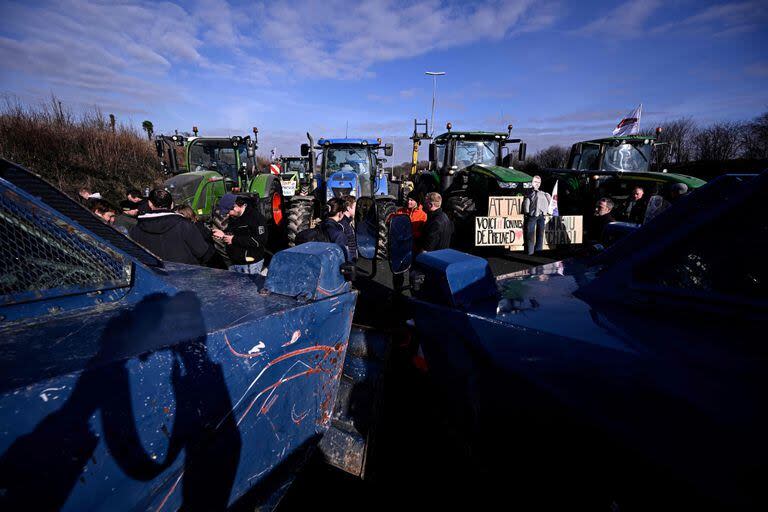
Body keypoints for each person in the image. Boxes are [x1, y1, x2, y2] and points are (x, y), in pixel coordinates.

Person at [129, 189, 214, 265]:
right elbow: (203, 253)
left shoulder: (136, 229)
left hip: (153, 277)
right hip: (185, 276)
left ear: (150, 204)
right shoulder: (184, 225)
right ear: (171, 204)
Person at [211, 194, 267, 274]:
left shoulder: (256, 218)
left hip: (250, 265)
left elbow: (259, 241)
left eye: (228, 211)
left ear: (236, 206)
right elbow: (236, 235)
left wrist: (233, 239)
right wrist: (223, 235)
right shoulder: (234, 218)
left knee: (248, 286)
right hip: (234, 263)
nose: (228, 214)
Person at [522, 175, 552, 255]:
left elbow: (550, 202)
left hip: (540, 215)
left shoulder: (543, 193)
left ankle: (536, 250)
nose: (537, 184)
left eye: (539, 182)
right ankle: (531, 251)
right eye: (535, 182)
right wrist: (527, 212)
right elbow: (526, 203)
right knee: (531, 232)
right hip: (533, 214)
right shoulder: (530, 192)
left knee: (537, 233)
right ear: (532, 182)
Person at [339, 195, 358, 262]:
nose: (357, 209)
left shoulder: (347, 222)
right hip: (348, 262)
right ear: (348, 208)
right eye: (355, 207)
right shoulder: (344, 225)